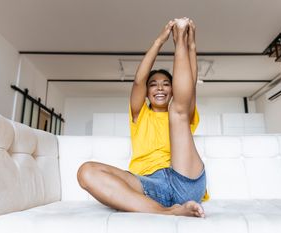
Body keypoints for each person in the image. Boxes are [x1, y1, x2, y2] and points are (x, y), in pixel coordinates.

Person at [77, 18, 207, 218]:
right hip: (147, 187)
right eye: (154, 84)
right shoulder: (140, 114)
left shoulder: (183, 112)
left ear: (174, 90)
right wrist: (159, 41)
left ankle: (179, 39)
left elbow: (189, 86)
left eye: (166, 83)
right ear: (146, 93)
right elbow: (139, 80)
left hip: (185, 180)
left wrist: (190, 45)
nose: (160, 87)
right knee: (85, 172)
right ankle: (169, 211)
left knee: (177, 112)